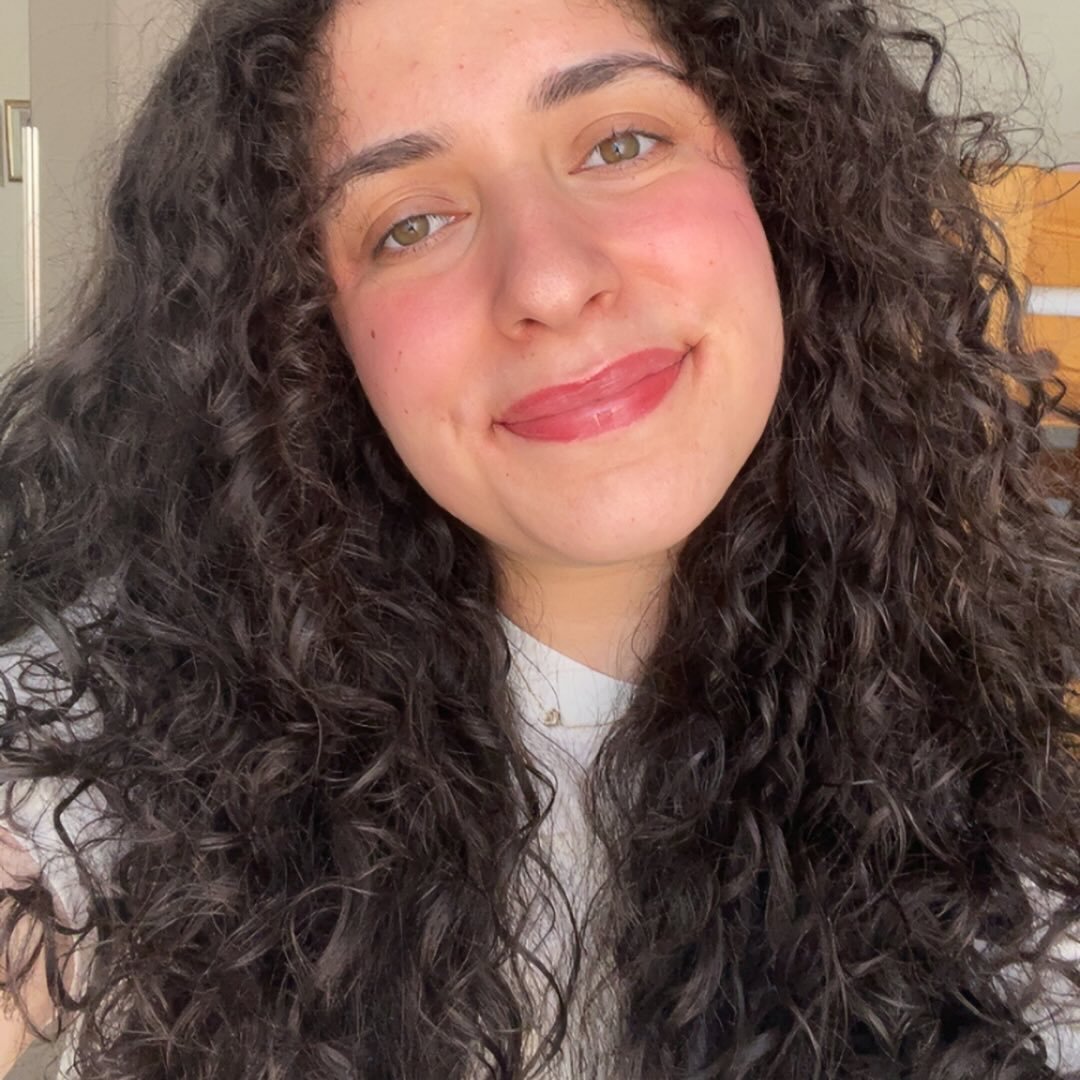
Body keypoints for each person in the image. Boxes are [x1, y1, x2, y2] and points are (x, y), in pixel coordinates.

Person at [1, 0, 1078, 1076]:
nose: (551, 283)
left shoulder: (997, 732)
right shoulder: (130, 713)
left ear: (779, 173)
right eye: (410, 224)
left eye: (622, 143)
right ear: (308, 334)